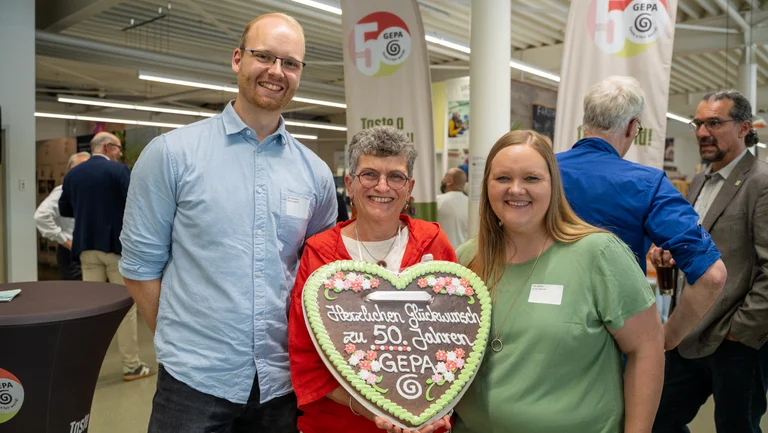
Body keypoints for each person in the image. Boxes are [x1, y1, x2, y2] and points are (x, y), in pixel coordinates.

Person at [119, 13, 337, 432]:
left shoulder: (315, 174)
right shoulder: (172, 155)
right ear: (238, 59)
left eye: (290, 63)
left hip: (282, 385)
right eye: (264, 57)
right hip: (192, 385)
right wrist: (187, 341)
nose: (277, 72)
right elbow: (139, 268)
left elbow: (318, 275)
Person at [453, 130, 664, 433]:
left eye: (531, 178)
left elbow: (647, 349)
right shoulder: (468, 258)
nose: (516, 189)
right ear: (486, 186)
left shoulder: (599, 254)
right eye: (502, 179)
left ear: (553, 185)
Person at [288, 126, 454, 433]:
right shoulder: (321, 254)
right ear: (349, 184)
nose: (382, 186)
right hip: (339, 425)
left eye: (395, 176)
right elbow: (305, 357)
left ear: (409, 187)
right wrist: (370, 410)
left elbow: (457, 336)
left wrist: (439, 410)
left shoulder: (433, 243)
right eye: (369, 174)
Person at [556, 75, 726, 350]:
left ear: (586, 120)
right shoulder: (648, 185)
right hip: (610, 340)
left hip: (535, 329)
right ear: (633, 126)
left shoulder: (539, 172)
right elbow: (713, 276)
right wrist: (667, 337)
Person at [651, 90, 768, 433]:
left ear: (744, 127)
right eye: (698, 123)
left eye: (714, 123)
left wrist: (742, 332)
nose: (702, 132)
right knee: (658, 420)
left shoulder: (761, 182)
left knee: (737, 427)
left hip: (736, 341)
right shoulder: (700, 182)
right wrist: (671, 260)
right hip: (689, 331)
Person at [59, 132, 154, 381]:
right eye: (119, 148)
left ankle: (87, 366)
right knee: (125, 308)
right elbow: (136, 204)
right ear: (108, 147)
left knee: (92, 308)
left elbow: (64, 209)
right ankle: (131, 365)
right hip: (115, 248)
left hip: (85, 247)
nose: (121, 153)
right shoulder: (119, 172)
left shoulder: (73, 175)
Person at [34, 151, 90, 280]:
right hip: (72, 252)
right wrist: (65, 240)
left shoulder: (90, 191)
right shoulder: (63, 191)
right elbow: (41, 215)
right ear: (70, 171)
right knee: (76, 294)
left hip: (92, 252)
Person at [437, 167, 468, 248]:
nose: (442, 179)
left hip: (444, 256)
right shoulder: (472, 206)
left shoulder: (438, 201)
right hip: (465, 256)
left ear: (450, 181)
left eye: (445, 177)